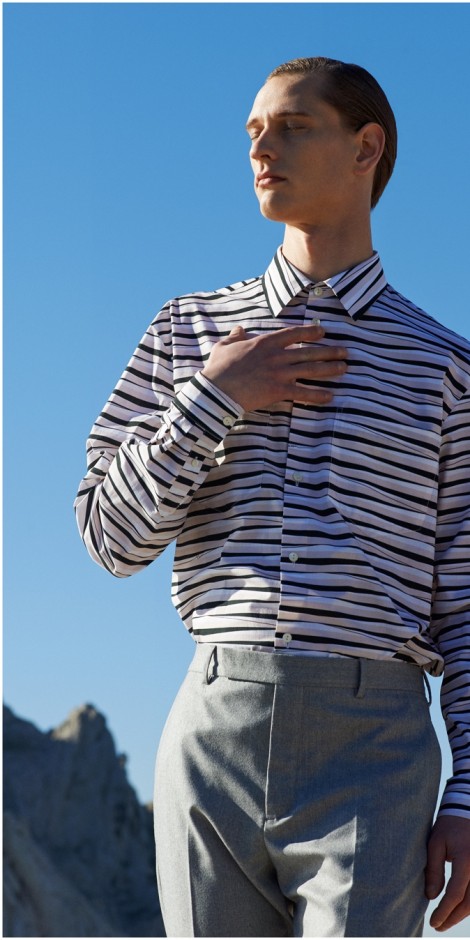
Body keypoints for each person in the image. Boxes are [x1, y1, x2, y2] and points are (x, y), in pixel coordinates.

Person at [74, 56, 470, 937]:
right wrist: (214, 395)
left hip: (375, 747)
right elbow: (109, 538)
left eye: (292, 127)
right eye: (254, 131)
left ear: (366, 147)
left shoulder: (446, 368)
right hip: (213, 727)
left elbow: (468, 604)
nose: (262, 149)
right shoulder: (186, 332)